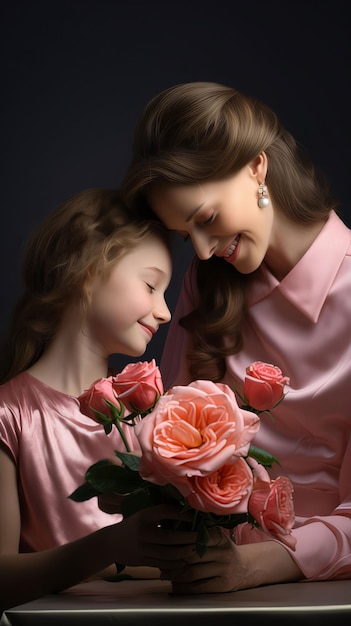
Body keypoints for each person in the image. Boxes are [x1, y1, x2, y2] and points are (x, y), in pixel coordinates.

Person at [119, 81, 351, 593]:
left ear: (257, 167)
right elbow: (166, 452)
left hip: (322, 589)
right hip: (205, 577)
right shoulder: (204, 285)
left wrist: (254, 566)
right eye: (186, 236)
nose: (201, 252)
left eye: (205, 220)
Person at [0, 188, 199, 612]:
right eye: (151, 285)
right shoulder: (10, 415)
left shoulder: (150, 415)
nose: (164, 312)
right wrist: (110, 547)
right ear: (88, 269)